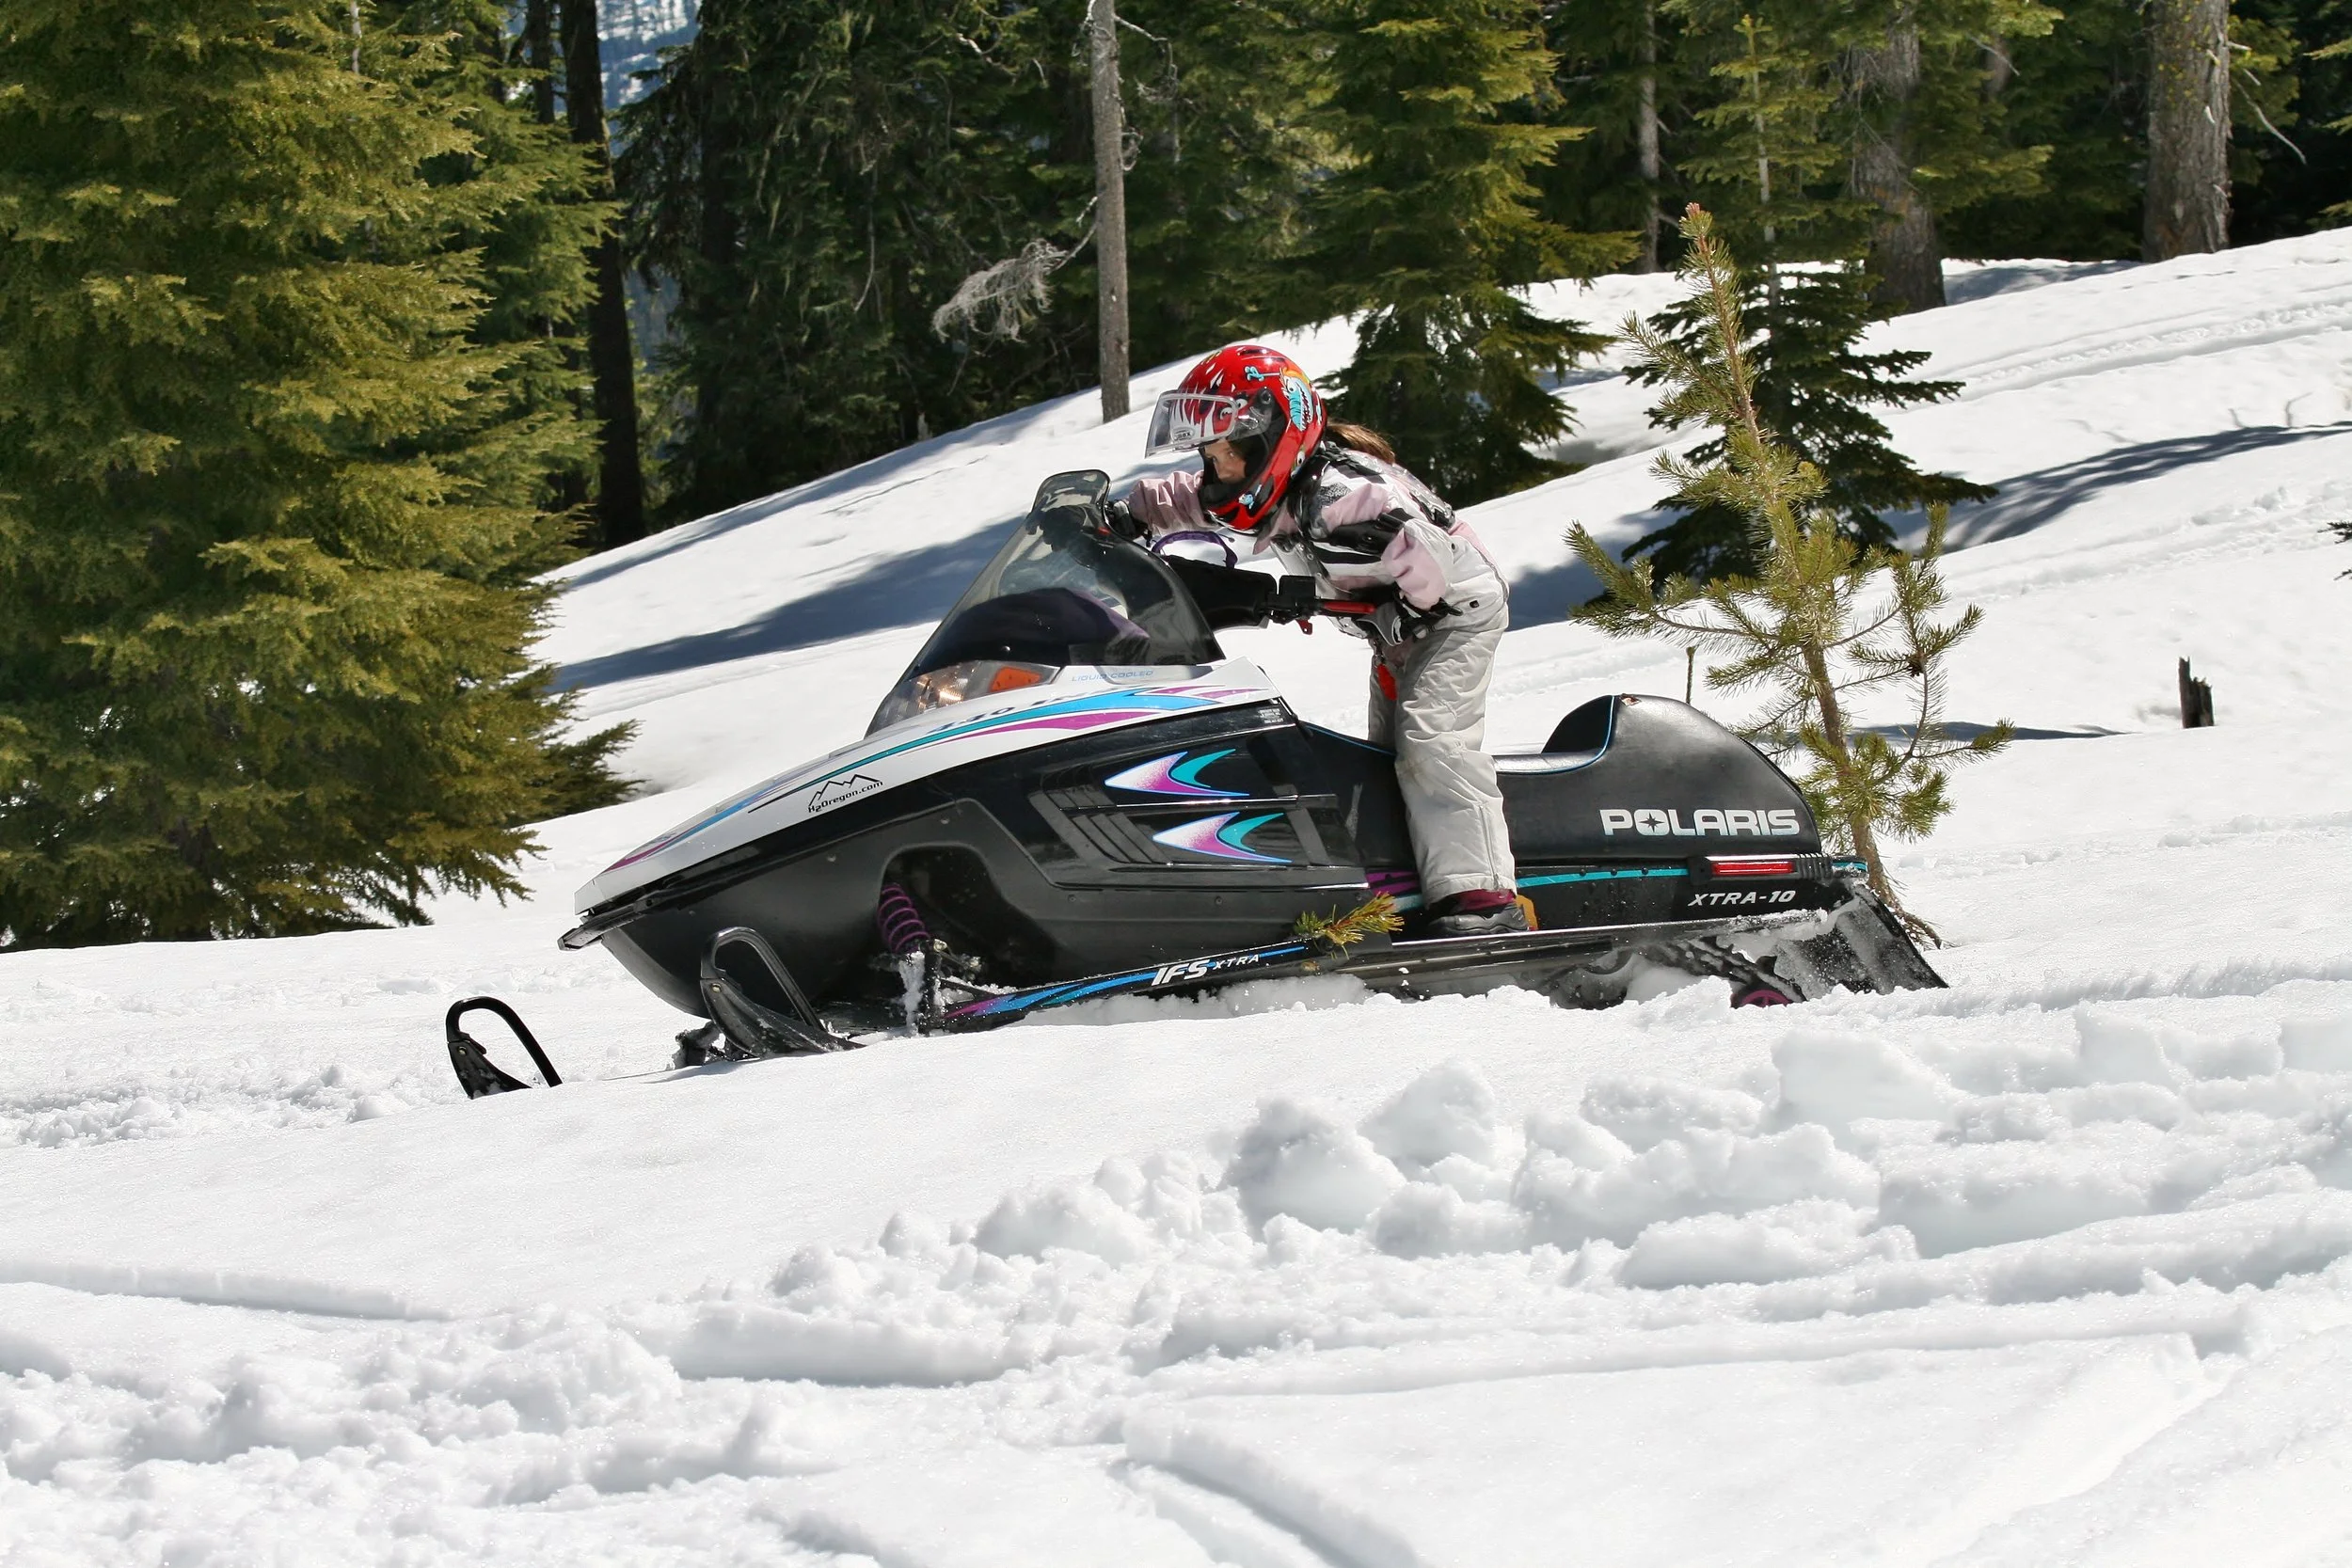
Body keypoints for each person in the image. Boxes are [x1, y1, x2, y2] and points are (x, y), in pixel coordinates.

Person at [1118, 342, 1525, 938]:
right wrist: (1125, 514)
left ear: (1273, 439)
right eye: (1211, 457)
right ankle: (1411, 886)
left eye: (1227, 454)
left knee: (1432, 742)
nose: (1218, 470)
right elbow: (1193, 498)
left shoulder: (1346, 498)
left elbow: (1433, 563)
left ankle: (1483, 899)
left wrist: (1397, 607)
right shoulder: (1276, 486)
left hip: (1452, 616)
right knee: (1385, 757)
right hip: (1397, 628)